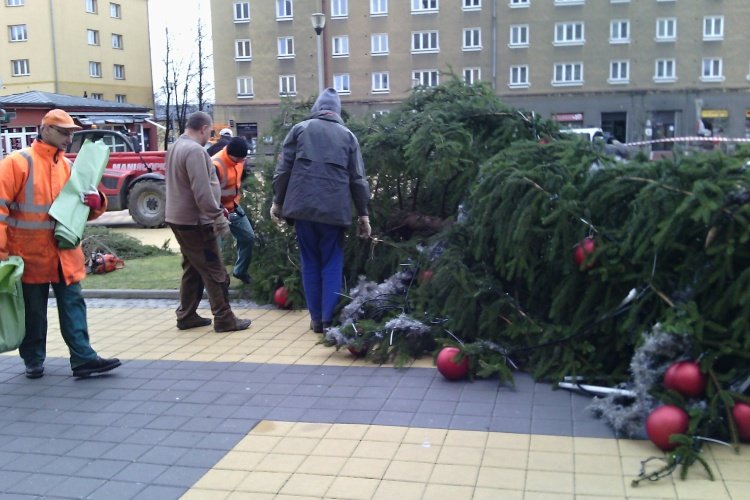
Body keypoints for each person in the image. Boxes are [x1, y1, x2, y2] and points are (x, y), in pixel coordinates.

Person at [0, 109, 121, 379]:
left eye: (71, 133)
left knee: (73, 305)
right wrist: (1, 253)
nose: (68, 138)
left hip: (64, 254)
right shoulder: (17, 163)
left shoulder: (66, 166)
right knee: (34, 312)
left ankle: (83, 358)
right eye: (64, 132)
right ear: (45, 129)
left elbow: (80, 206)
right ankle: (33, 359)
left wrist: (97, 202)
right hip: (29, 256)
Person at [271, 88, 371, 333]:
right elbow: (358, 179)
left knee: (310, 262)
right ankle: (328, 319)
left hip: (302, 210)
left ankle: (315, 320)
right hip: (334, 214)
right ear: (336, 112)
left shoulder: (300, 130)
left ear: (316, 109)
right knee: (331, 262)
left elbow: (283, 170)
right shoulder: (348, 137)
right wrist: (364, 214)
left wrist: (277, 202)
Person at [165, 111, 251, 333]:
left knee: (193, 267)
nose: (209, 136)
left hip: (178, 218)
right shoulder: (194, 151)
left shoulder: (175, 147)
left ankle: (186, 315)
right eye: (209, 131)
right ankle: (224, 318)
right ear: (203, 128)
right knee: (215, 269)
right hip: (195, 222)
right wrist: (217, 217)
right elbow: (202, 192)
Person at [212, 136, 255, 285]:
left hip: (234, 207)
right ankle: (216, 281)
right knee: (216, 249)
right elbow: (209, 193)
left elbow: (239, 178)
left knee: (248, 237)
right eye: (238, 159)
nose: (241, 162)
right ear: (231, 154)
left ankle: (240, 271)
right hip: (216, 212)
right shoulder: (215, 164)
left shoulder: (239, 161)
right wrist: (219, 211)